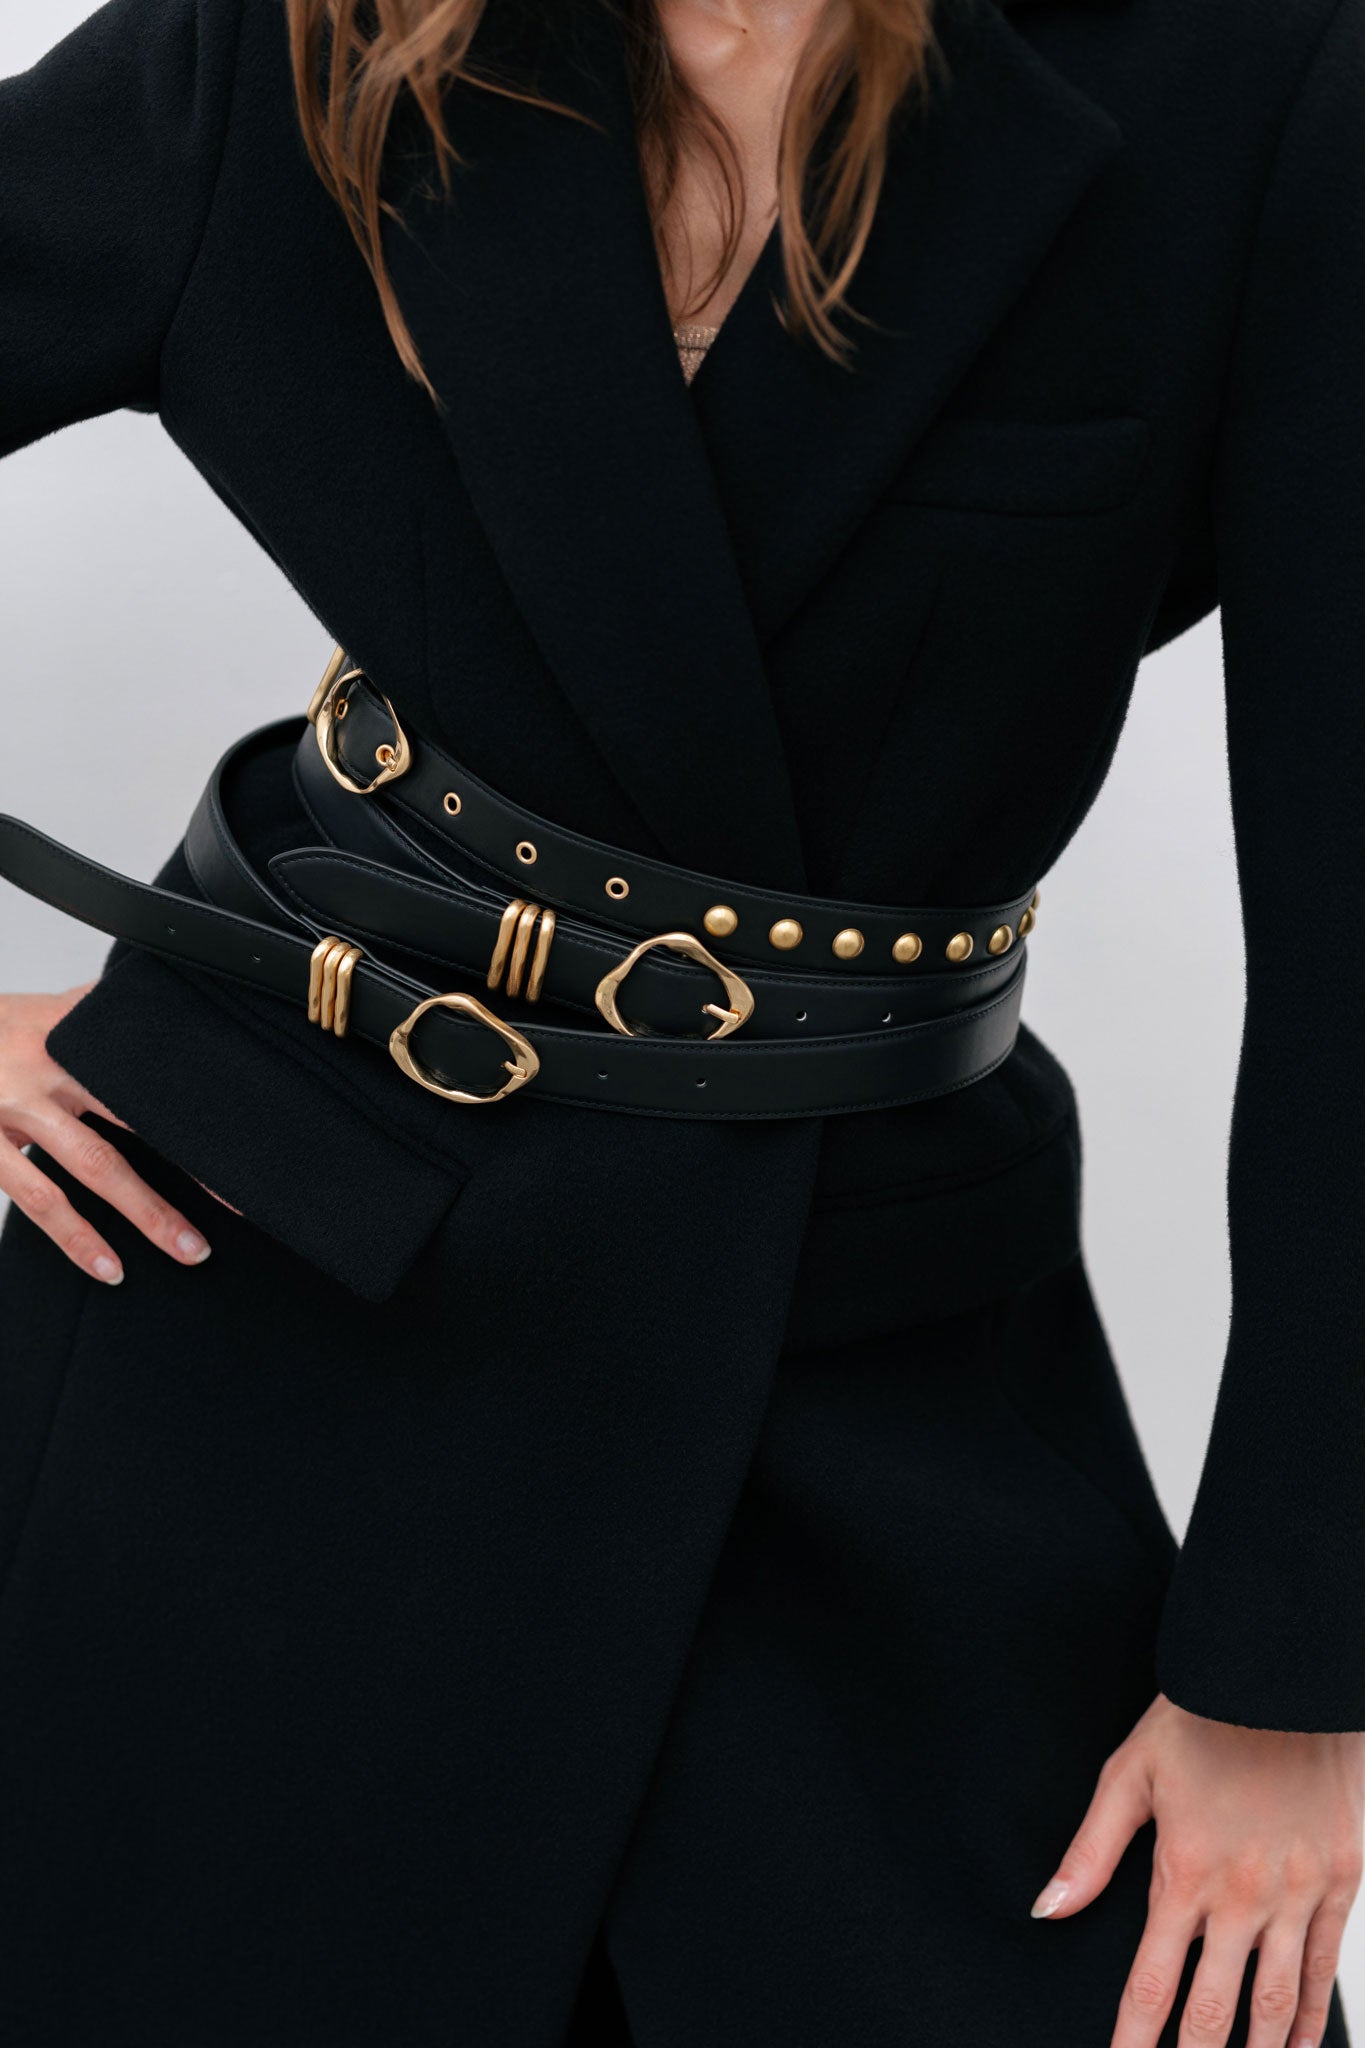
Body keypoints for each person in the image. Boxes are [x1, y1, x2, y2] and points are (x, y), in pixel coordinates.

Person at [1, 0, 1363, 2041]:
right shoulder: (290, 44)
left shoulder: (1249, 73)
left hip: (888, 1356)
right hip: (267, 1325)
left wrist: (1289, 1677)